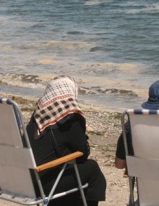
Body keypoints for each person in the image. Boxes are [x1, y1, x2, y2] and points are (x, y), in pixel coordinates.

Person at [27, 75, 106, 206]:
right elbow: (82, 154)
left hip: (24, 182)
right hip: (45, 184)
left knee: (73, 170)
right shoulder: (69, 118)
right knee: (92, 169)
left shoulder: (37, 117)